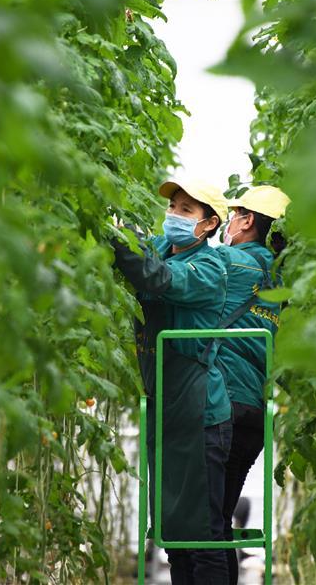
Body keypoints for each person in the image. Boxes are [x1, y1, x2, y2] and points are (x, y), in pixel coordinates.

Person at [111, 180, 232, 585]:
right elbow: (147, 259)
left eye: (185, 211)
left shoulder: (211, 268)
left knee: (206, 537)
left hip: (200, 415)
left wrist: (120, 240)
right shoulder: (161, 251)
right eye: (173, 207)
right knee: (173, 534)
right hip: (166, 411)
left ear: (209, 225)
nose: (173, 217)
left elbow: (159, 279)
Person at [214, 186, 290, 584]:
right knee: (219, 519)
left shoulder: (230, 262)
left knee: (208, 525)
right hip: (254, 411)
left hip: (222, 402)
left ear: (247, 221)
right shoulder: (279, 275)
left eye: (232, 215)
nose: (226, 224)